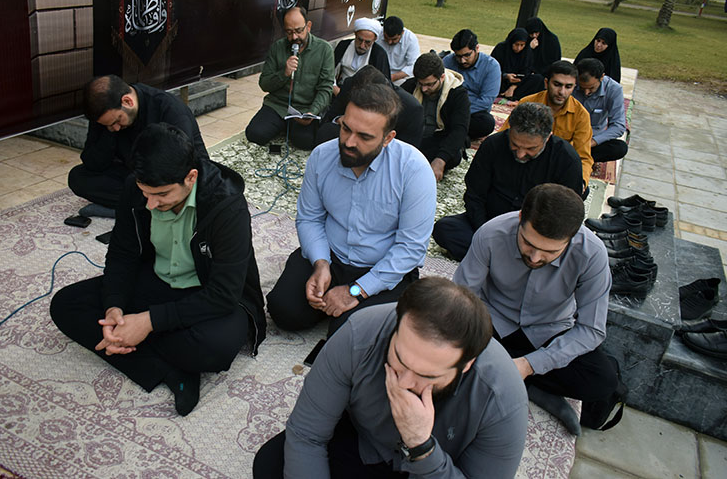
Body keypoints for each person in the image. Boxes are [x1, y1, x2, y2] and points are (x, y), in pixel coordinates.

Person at [51, 124, 266, 416]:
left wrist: (148, 322)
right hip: (157, 281)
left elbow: (224, 294)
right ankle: (170, 370)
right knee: (66, 305)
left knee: (215, 347)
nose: (151, 204)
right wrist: (114, 306)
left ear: (191, 178)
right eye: (146, 193)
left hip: (207, 294)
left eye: (162, 194)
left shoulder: (227, 205)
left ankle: (149, 344)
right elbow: (123, 253)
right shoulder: (136, 188)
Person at [253, 277, 529, 479]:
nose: (405, 382)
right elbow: (307, 434)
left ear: (466, 365)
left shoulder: (502, 397)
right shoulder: (360, 334)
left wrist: (421, 445)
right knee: (273, 463)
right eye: (400, 358)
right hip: (363, 444)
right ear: (396, 326)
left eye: (426, 375)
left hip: (434, 468)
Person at [266, 83, 436, 335]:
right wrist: (320, 263)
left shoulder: (414, 170)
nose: (348, 142)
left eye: (364, 137)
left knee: (349, 334)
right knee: (284, 310)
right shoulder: (321, 156)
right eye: (345, 128)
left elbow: (410, 248)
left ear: (388, 138)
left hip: (382, 267)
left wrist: (355, 291)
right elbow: (310, 218)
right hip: (331, 257)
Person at [454, 183, 616, 435]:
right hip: (492, 323)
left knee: (601, 380)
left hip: (548, 330)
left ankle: (507, 373)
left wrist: (529, 365)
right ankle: (531, 386)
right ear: (521, 217)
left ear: (572, 236)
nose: (535, 257)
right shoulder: (491, 234)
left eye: (550, 251)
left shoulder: (592, 254)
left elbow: (590, 330)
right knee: (442, 341)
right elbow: (461, 296)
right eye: (528, 243)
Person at [433, 102, 583, 261]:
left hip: (536, 237)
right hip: (490, 224)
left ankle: (495, 258)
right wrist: (486, 231)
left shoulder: (566, 159)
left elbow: (565, 214)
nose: (520, 154)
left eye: (530, 149)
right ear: (510, 131)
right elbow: (474, 196)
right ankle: (511, 261)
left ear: (548, 138)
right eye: (515, 145)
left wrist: (531, 240)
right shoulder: (493, 145)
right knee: (446, 229)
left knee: (572, 254)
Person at [68, 75, 208, 218]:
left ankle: (134, 208)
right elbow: (92, 163)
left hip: (170, 174)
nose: (116, 128)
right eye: (109, 125)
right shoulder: (106, 117)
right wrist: (108, 133)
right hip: (136, 174)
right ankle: (137, 208)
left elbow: (180, 163)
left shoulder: (169, 108)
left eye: (117, 121)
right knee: (78, 177)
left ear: (127, 101)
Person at [245, 6, 335, 149]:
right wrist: (284, 73)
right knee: (254, 134)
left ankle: (289, 127)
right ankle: (282, 125)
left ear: (308, 26)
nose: (294, 37)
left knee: (305, 142)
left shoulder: (324, 50)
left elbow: (326, 88)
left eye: (299, 31)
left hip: (304, 109)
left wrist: (312, 112)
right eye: (289, 32)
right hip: (277, 105)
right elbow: (264, 84)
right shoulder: (277, 48)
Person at [503, 60, 592, 193]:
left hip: (555, 165)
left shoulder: (581, 114)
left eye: (568, 87)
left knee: (578, 190)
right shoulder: (528, 102)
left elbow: (583, 157)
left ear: (574, 87)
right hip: (526, 158)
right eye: (557, 85)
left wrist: (582, 182)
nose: (562, 92)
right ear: (546, 83)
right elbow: (505, 135)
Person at [401, 52, 475, 182]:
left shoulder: (457, 93)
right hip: (414, 137)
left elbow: (459, 130)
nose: (424, 89)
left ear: (442, 77)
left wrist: (440, 160)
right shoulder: (411, 85)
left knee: (453, 156)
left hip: (438, 139)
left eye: (429, 84)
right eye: (421, 84)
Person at [319, 65, 424, 147]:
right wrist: (340, 120)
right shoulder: (350, 85)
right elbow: (330, 116)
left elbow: (406, 149)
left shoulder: (411, 109)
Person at [442, 29, 499, 141]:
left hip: (472, 112)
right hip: (449, 109)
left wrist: (461, 112)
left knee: (486, 123)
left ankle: (451, 132)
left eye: (467, 55)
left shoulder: (491, 66)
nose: (462, 60)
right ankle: (458, 134)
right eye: (458, 56)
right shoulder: (448, 61)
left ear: (477, 48)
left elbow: (486, 101)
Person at [572, 58, 629, 163]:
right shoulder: (570, 84)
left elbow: (619, 125)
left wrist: (593, 142)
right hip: (569, 134)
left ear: (602, 77)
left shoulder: (613, 89)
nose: (586, 93)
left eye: (591, 88)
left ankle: (581, 158)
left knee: (619, 148)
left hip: (592, 139)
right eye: (582, 88)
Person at [333, 18, 391, 95]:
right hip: (339, 89)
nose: (362, 46)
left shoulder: (379, 54)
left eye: (367, 42)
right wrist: (336, 89)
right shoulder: (343, 46)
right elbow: (329, 71)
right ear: (355, 34)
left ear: (375, 39)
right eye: (360, 40)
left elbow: (384, 85)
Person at [491, 27, 545, 100]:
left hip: (518, 83)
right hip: (501, 80)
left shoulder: (527, 52)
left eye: (522, 45)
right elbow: (492, 68)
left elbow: (527, 71)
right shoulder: (501, 49)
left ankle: (511, 94)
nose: (519, 48)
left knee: (538, 79)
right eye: (516, 44)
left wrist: (513, 86)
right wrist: (505, 75)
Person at [379, 15, 420, 86]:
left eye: (394, 39)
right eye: (386, 38)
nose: (389, 42)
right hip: (379, 75)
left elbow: (413, 65)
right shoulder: (377, 34)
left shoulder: (410, 39)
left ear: (402, 33)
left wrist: (393, 77)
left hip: (400, 78)